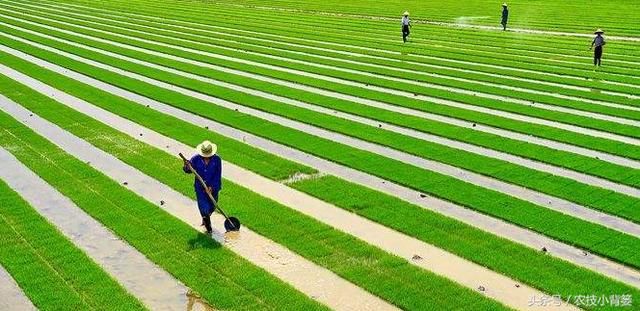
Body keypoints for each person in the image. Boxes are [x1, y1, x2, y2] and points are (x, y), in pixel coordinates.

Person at [183, 140, 222, 234]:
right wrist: (187, 166)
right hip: (200, 188)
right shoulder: (196, 159)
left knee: (213, 206)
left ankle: (205, 218)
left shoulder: (217, 160)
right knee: (204, 208)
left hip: (213, 187)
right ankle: (209, 230)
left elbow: (217, 175)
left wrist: (212, 187)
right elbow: (188, 170)